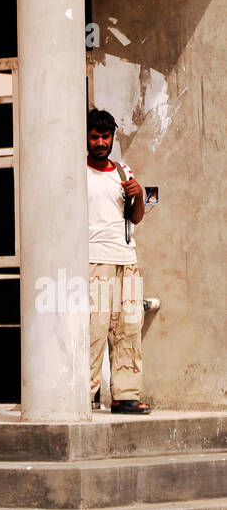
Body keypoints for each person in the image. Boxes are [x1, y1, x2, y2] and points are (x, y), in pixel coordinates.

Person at [87, 108, 150, 414]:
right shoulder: (79, 173)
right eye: (95, 136)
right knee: (93, 329)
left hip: (127, 260)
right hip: (94, 261)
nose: (101, 142)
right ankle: (81, 395)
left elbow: (135, 218)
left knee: (128, 329)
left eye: (105, 136)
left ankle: (125, 395)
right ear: (87, 138)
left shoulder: (125, 172)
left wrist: (138, 195)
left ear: (112, 138)